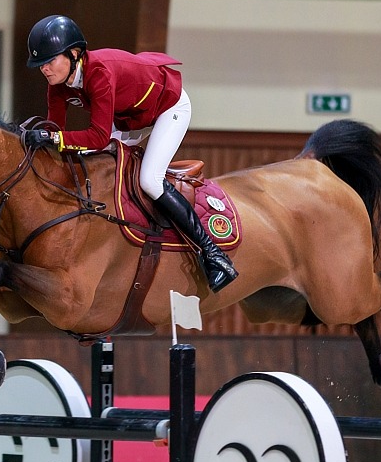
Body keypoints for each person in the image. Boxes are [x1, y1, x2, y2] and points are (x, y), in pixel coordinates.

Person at [23, 15, 238, 293]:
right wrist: (36, 138)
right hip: (129, 116)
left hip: (168, 107)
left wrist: (54, 138)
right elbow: (56, 130)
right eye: (41, 64)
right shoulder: (57, 84)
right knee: (96, 163)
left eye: (50, 61)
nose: (44, 69)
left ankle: (213, 254)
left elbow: (97, 136)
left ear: (74, 54)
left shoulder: (99, 72)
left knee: (150, 179)